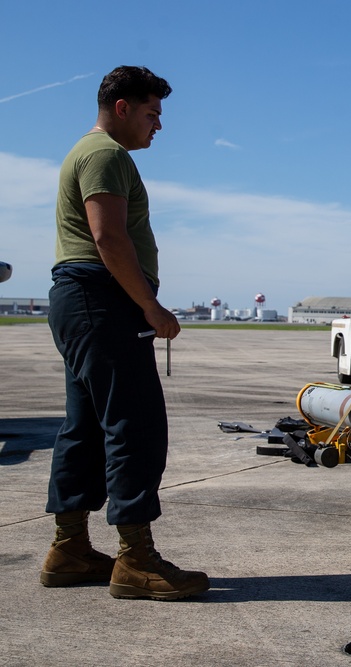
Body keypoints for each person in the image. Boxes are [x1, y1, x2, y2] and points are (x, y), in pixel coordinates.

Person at [41, 66, 209, 601]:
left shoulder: (89, 153)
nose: (158, 125)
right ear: (122, 107)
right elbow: (109, 237)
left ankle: (68, 548)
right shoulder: (105, 155)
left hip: (83, 301)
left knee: (86, 426)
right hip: (101, 302)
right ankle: (136, 559)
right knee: (133, 425)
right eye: (152, 113)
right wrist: (151, 307)